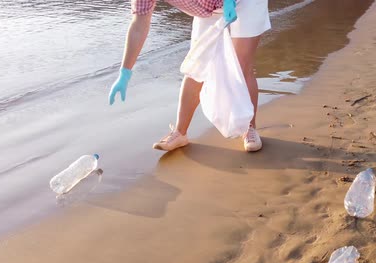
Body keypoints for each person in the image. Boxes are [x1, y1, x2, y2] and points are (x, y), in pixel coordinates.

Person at [109, 0, 270, 152]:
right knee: (197, 65)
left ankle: (249, 129)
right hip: (208, 8)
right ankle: (180, 133)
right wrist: (125, 73)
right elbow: (139, 24)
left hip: (246, 2)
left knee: (241, 65)